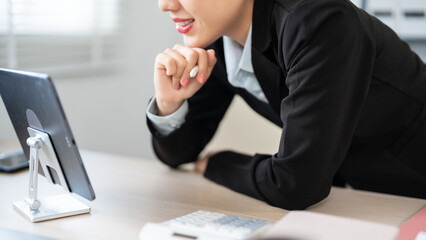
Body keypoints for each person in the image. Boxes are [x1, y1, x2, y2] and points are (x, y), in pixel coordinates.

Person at [146, 0, 426, 210]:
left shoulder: (318, 20)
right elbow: (179, 153)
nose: (165, 5)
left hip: (411, 190)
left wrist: (217, 164)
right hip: (358, 198)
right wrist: (169, 103)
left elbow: (296, 183)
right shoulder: (217, 43)